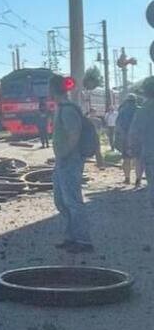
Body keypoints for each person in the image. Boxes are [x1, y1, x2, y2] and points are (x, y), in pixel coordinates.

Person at [50, 74, 93, 252]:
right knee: (61, 200)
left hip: (70, 160)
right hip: (63, 160)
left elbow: (74, 134)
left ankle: (83, 241)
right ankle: (70, 236)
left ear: (52, 90)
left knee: (73, 201)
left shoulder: (67, 109)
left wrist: (65, 154)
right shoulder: (61, 108)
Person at [114, 94, 138, 185]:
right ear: (135, 101)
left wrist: (120, 136)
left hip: (125, 137)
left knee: (126, 159)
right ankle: (138, 179)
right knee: (137, 158)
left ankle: (127, 178)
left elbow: (118, 125)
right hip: (137, 138)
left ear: (126, 101)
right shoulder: (139, 110)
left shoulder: (122, 111)